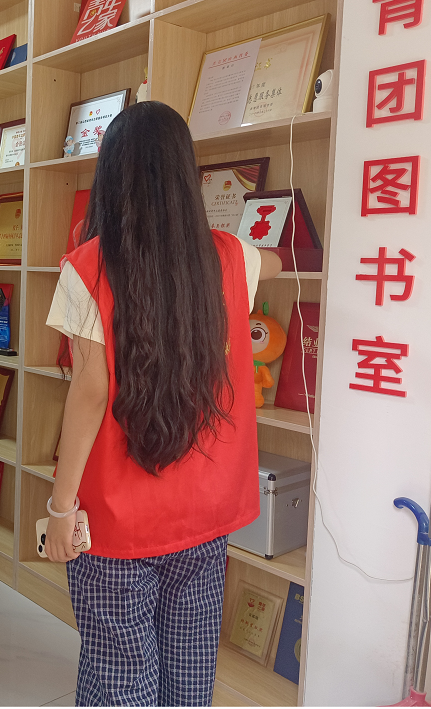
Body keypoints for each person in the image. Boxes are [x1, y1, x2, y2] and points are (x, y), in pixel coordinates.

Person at [42, 101, 282, 706]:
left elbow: (90, 392)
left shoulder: (87, 267)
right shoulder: (230, 256)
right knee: (190, 670)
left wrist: (61, 507)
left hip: (116, 519)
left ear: (112, 175)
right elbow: (275, 261)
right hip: (205, 513)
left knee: (120, 675)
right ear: (184, 174)